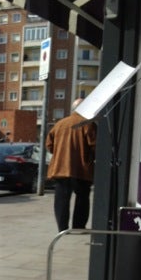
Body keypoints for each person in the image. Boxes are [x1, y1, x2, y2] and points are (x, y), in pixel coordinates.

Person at [46, 98, 97, 232]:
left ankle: (62, 228)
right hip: (81, 169)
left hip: (60, 168)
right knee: (82, 198)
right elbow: (95, 146)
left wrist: (60, 153)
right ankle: (78, 226)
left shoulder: (60, 124)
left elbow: (49, 145)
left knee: (61, 199)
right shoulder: (88, 124)